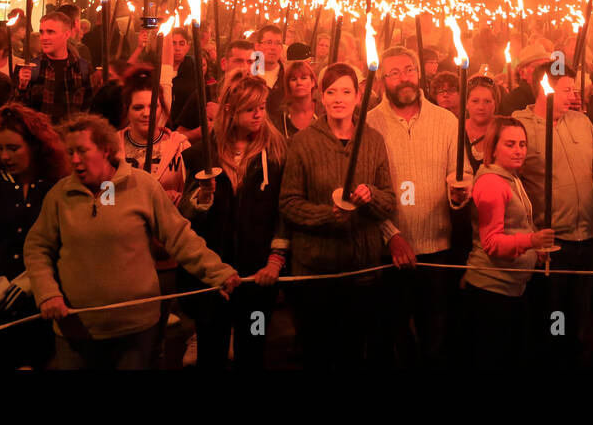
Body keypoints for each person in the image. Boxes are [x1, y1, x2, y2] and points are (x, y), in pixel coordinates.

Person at [24, 114, 240, 370]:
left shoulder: (142, 186)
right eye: (70, 152)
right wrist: (47, 294)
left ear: (106, 149)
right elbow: (37, 248)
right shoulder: (59, 195)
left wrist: (218, 272)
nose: (74, 160)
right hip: (76, 330)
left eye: (82, 151)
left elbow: (180, 238)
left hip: (135, 330)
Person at [278, 62, 396, 369]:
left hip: (362, 268)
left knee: (354, 350)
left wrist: (370, 195)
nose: (339, 99)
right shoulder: (303, 143)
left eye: (346, 91)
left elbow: (390, 200)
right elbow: (289, 203)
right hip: (317, 269)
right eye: (331, 92)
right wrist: (327, 215)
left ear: (359, 96)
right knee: (318, 351)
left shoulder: (372, 141)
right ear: (321, 96)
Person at [365, 46, 470, 366]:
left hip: (437, 249)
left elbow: (462, 172)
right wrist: (391, 235)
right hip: (388, 252)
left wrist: (458, 191)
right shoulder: (369, 124)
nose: (403, 78)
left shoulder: (446, 120)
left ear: (420, 73)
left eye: (409, 69)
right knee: (387, 339)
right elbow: (365, 189)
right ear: (382, 80)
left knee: (435, 338)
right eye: (394, 73)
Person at [179, 75, 287, 370]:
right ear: (229, 110)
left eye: (262, 107)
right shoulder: (204, 154)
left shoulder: (276, 154)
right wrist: (202, 199)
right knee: (211, 352)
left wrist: (275, 260)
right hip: (213, 277)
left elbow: (282, 212)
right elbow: (185, 216)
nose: (258, 115)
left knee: (252, 348)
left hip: (257, 278)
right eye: (250, 108)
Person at [513, 60, 593, 368]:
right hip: (551, 242)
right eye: (566, 90)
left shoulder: (581, 123)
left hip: (586, 236)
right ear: (544, 90)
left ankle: (576, 359)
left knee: (580, 316)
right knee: (552, 317)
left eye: (574, 89)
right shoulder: (521, 127)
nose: (573, 96)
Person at [0, 104, 68, 369]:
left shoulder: (56, 188)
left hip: (40, 295)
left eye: (13, 148)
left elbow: (59, 244)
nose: (5, 156)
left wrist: (26, 285)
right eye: (0, 148)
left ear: (34, 146)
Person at [462, 116, 553, 368]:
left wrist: (534, 251)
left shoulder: (510, 177)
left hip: (509, 288)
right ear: (493, 148)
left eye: (522, 144)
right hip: (491, 291)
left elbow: (516, 227)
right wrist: (531, 240)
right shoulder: (492, 183)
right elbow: (491, 243)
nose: (518, 150)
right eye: (510, 144)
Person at [119, 65, 189, 204]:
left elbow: (190, 201)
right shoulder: (112, 146)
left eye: (153, 106)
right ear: (127, 109)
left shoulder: (180, 147)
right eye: (138, 107)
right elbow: (104, 198)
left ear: (161, 108)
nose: (146, 114)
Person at [16, 11, 94, 124]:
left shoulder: (82, 68)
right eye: (42, 32)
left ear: (66, 34)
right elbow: (18, 111)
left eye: (50, 32)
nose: (44, 38)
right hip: (41, 137)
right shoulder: (31, 68)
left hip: (71, 137)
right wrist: (21, 88)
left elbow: (90, 110)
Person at [271, 58, 317, 141]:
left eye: (303, 78)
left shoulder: (323, 112)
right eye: (293, 79)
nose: (299, 83)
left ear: (313, 82)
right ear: (288, 85)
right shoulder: (281, 116)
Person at [462, 75, 502, 173]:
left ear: (495, 103)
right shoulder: (456, 129)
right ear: (466, 103)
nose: (481, 107)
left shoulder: (503, 130)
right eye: (475, 101)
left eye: (487, 101)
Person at [499, 44, 549, 115]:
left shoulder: (556, 93)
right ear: (522, 73)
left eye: (546, 65)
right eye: (536, 66)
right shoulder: (513, 100)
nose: (543, 69)